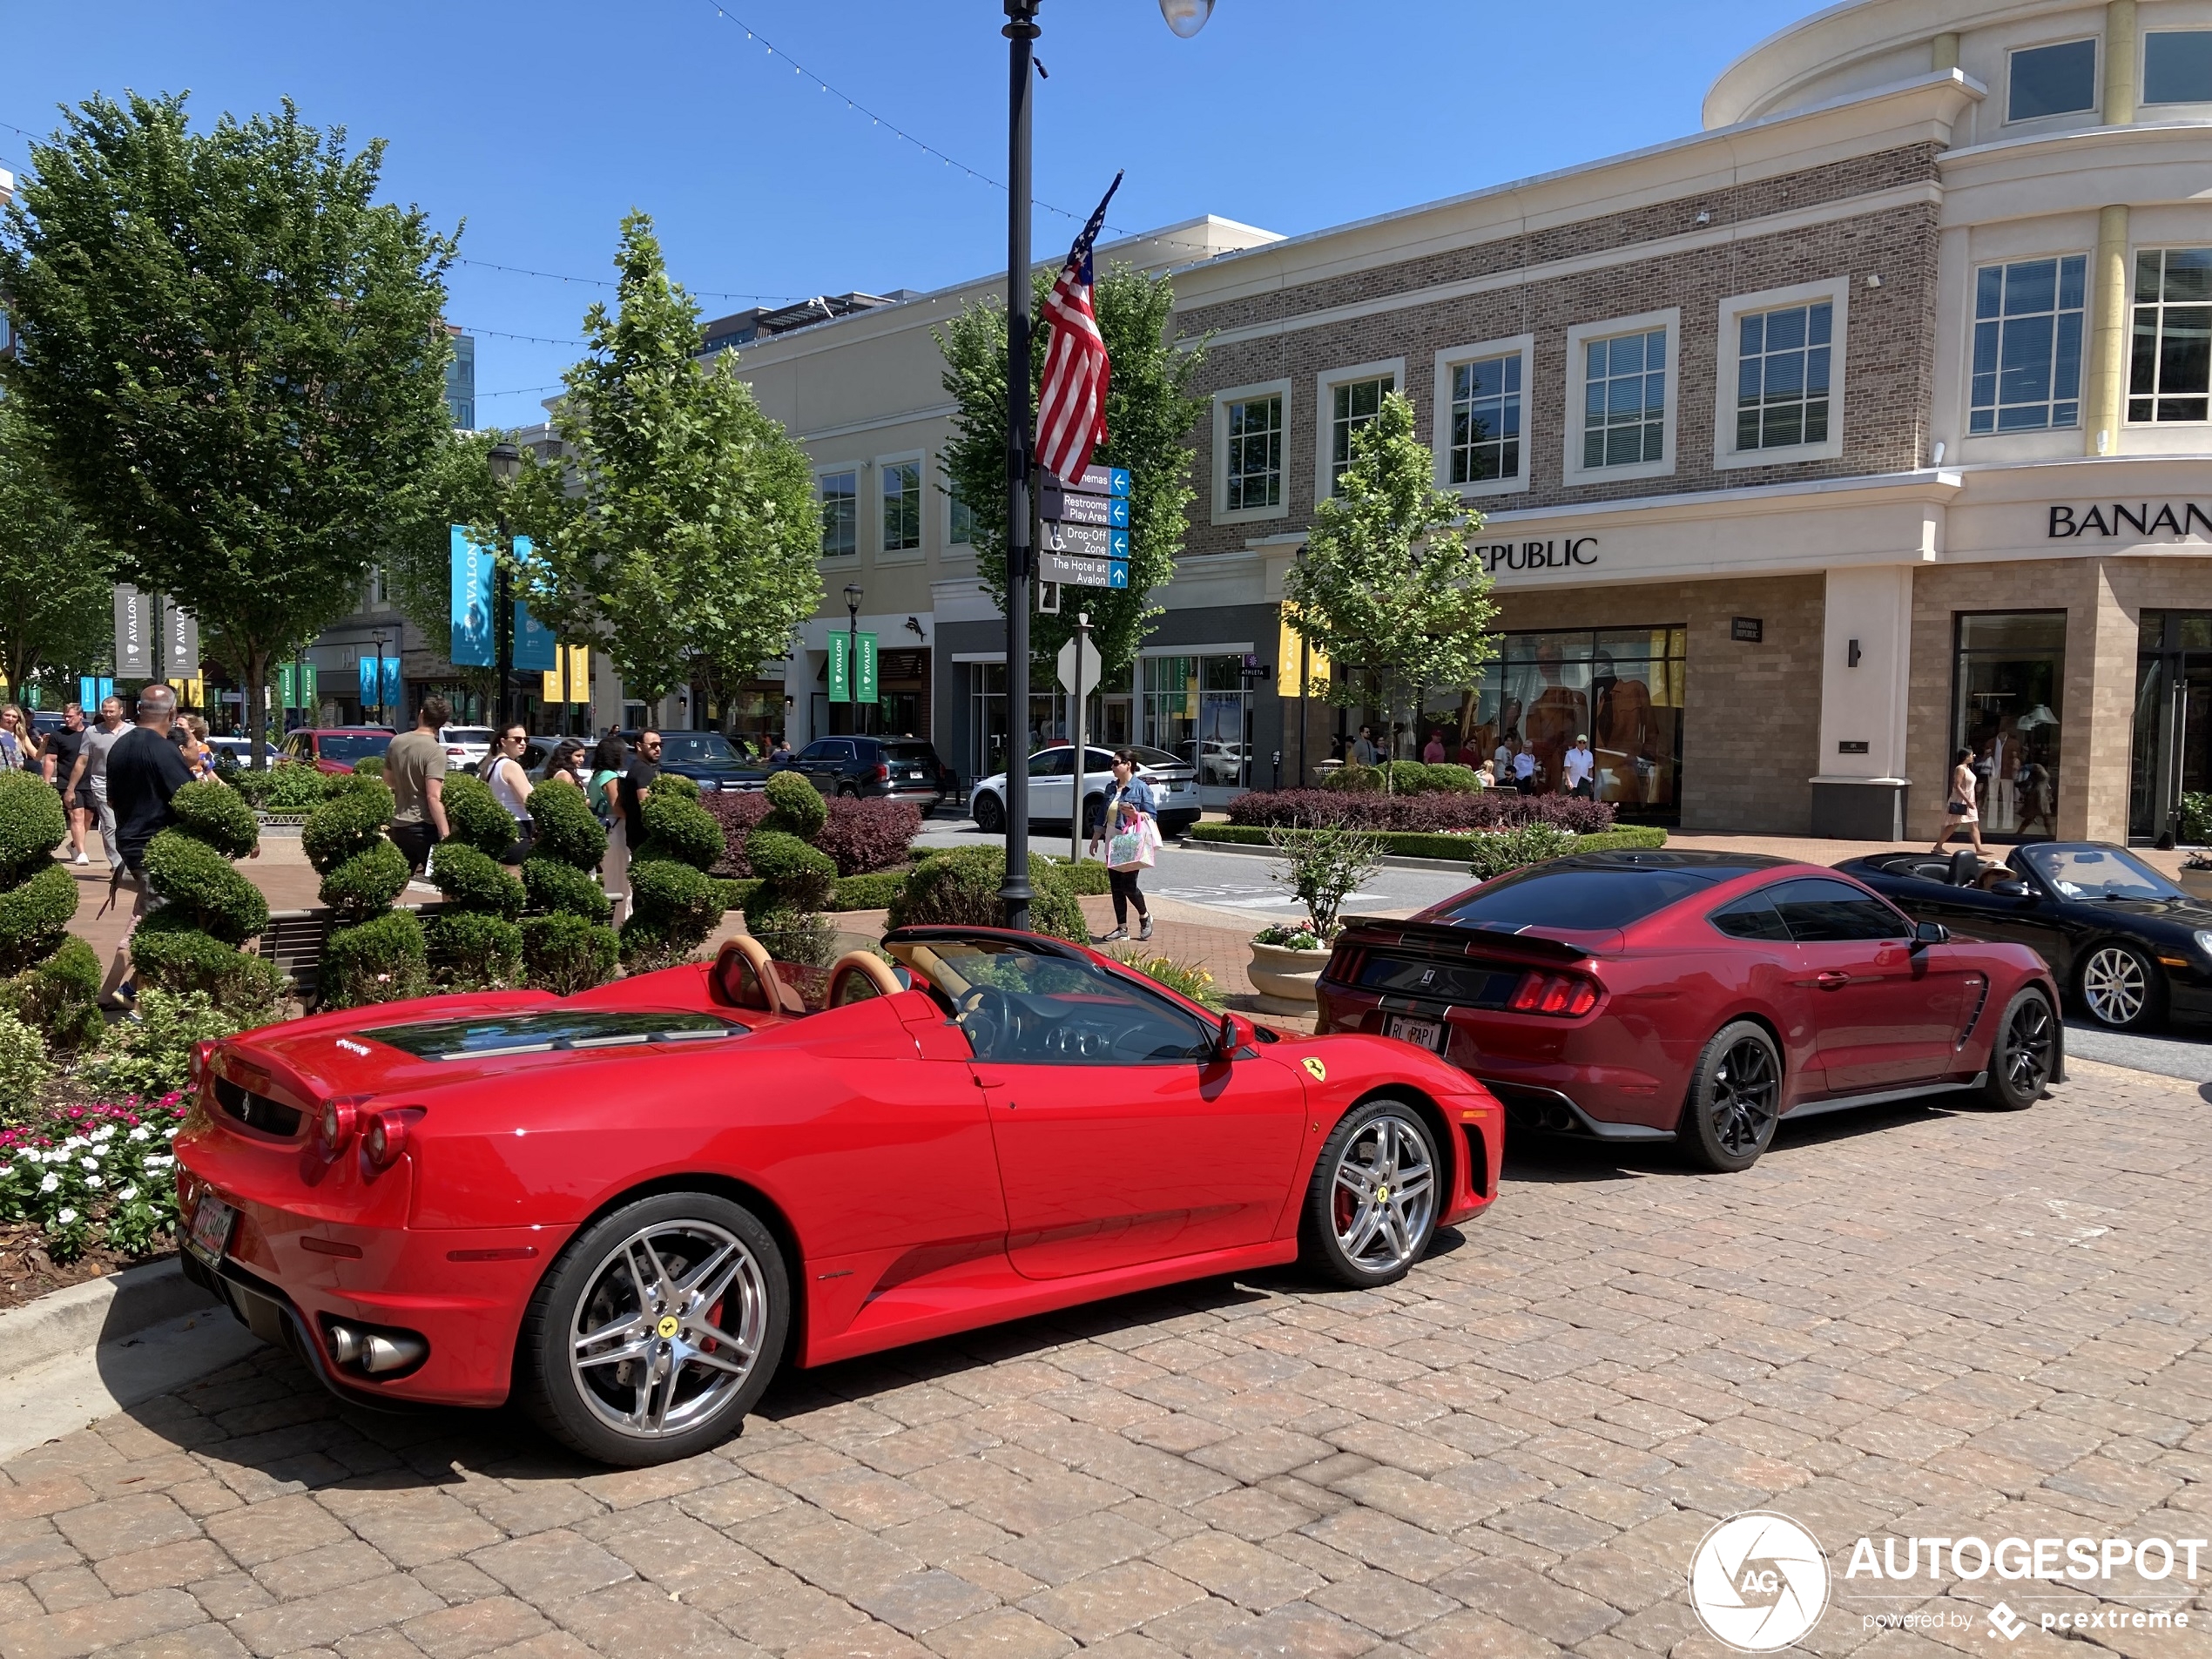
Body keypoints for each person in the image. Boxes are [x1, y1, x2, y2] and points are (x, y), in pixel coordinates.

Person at [100, 685, 225, 1005]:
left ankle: (125, 991)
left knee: (148, 917)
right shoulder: (163, 750)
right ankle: (146, 1001)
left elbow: (112, 799)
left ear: (137, 710)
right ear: (171, 714)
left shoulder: (119, 747)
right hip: (160, 850)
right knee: (163, 924)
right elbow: (190, 800)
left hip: (130, 847)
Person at [1088, 749, 1157, 942]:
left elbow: (1152, 814)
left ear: (1128, 764)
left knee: (1128, 885)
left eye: (1116, 763)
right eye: (1112, 763)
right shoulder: (1111, 788)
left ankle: (1145, 917)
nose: (1112, 767)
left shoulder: (1141, 788)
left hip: (1131, 841)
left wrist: (1136, 815)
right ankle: (1122, 928)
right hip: (1112, 840)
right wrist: (1095, 838)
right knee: (1116, 887)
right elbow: (1102, 815)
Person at [385, 697, 451, 876]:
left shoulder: (396, 741)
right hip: (424, 826)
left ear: (421, 713)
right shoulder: (435, 751)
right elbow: (433, 796)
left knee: (398, 878)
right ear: (442, 722)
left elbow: (389, 781)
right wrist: (446, 834)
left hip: (399, 823)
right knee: (446, 880)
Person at [67, 697, 128, 873]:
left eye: (112, 711)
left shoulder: (132, 732)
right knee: (110, 824)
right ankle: (117, 865)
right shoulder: (92, 732)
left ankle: (129, 859)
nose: (108, 714)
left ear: (121, 711)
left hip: (127, 784)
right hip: (101, 783)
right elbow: (82, 761)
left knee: (126, 823)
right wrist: (71, 788)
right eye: (105, 710)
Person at [610, 729, 662, 922]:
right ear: (639, 746)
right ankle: (644, 927)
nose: (658, 749)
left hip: (636, 836)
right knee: (646, 889)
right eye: (653, 745)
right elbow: (646, 803)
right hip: (643, 837)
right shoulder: (643, 771)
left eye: (660, 745)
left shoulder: (640, 768)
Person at [41, 703, 90, 865]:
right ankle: (82, 853)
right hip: (67, 783)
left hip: (89, 782)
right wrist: (46, 784)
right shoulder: (58, 736)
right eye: (65, 716)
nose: (67, 719)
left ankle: (74, 845)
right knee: (77, 815)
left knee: (88, 819)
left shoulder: (91, 734)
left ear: (80, 716)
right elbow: (50, 759)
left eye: (70, 716)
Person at [486, 723, 536, 859]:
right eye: (518, 739)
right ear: (503, 741)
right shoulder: (511, 766)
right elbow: (528, 800)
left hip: (503, 826)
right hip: (520, 827)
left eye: (526, 739)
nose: (523, 743)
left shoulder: (491, 764)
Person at [1932, 745, 1986, 856]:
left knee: (1974, 823)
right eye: (1971, 755)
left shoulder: (1967, 768)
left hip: (1969, 800)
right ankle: (1938, 846)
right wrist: (1967, 801)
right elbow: (1957, 786)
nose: (1973, 757)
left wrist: (1972, 801)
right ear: (1966, 757)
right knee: (1954, 824)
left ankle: (1979, 848)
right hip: (1961, 800)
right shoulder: (1960, 769)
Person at [587, 734, 626, 829]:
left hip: (598, 820)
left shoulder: (597, 775)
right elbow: (616, 807)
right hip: (613, 823)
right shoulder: (610, 776)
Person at [1563, 734, 1597, 799]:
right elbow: (1567, 768)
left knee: (1585, 801)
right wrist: (1568, 781)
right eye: (1580, 742)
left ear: (1586, 743)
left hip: (1584, 780)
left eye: (1584, 742)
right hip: (1573, 780)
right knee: (1571, 802)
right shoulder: (1570, 753)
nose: (1582, 744)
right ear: (1576, 742)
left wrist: (1591, 783)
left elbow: (1590, 769)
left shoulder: (1589, 755)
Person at [0, 705, 30, 772]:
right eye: (7, 715)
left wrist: (43, 745)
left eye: (14, 716)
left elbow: (19, 762)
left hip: (10, 776)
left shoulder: (11, 737)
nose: (10, 719)